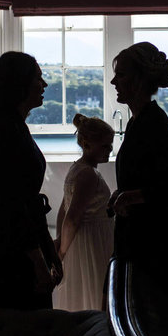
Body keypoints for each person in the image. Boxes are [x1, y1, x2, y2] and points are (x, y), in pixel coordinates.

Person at [0, 51, 62, 310]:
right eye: (38, 78)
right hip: (9, 257)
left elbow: (27, 202)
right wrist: (38, 262)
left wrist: (50, 251)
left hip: (16, 249)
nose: (44, 85)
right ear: (19, 83)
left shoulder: (13, 127)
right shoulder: (3, 133)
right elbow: (11, 207)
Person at [108, 42, 168, 303]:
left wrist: (131, 197)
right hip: (140, 241)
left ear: (140, 80)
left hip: (151, 246)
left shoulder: (153, 122)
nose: (113, 81)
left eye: (121, 74)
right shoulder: (137, 121)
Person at [53, 114, 115, 311]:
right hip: (91, 241)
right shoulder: (88, 174)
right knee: (95, 290)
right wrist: (62, 251)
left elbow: (63, 209)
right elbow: (71, 218)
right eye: (104, 146)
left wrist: (60, 239)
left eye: (110, 145)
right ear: (87, 144)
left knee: (85, 290)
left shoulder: (77, 168)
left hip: (81, 240)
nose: (110, 150)